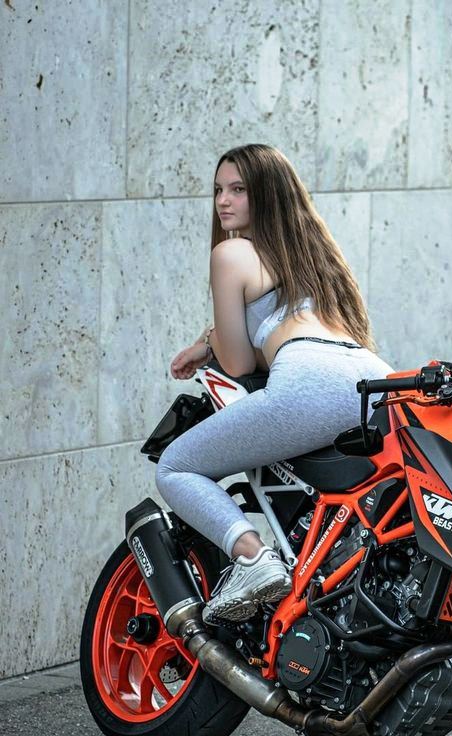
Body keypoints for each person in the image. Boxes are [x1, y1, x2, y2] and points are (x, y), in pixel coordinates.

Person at [155, 144, 395, 625]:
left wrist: (208, 342)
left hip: (309, 380)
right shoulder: (312, 257)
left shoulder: (232, 253)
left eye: (238, 190)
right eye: (218, 190)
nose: (223, 201)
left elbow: (239, 359)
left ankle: (252, 558)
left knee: (176, 468)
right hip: (375, 379)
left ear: (266, 194)